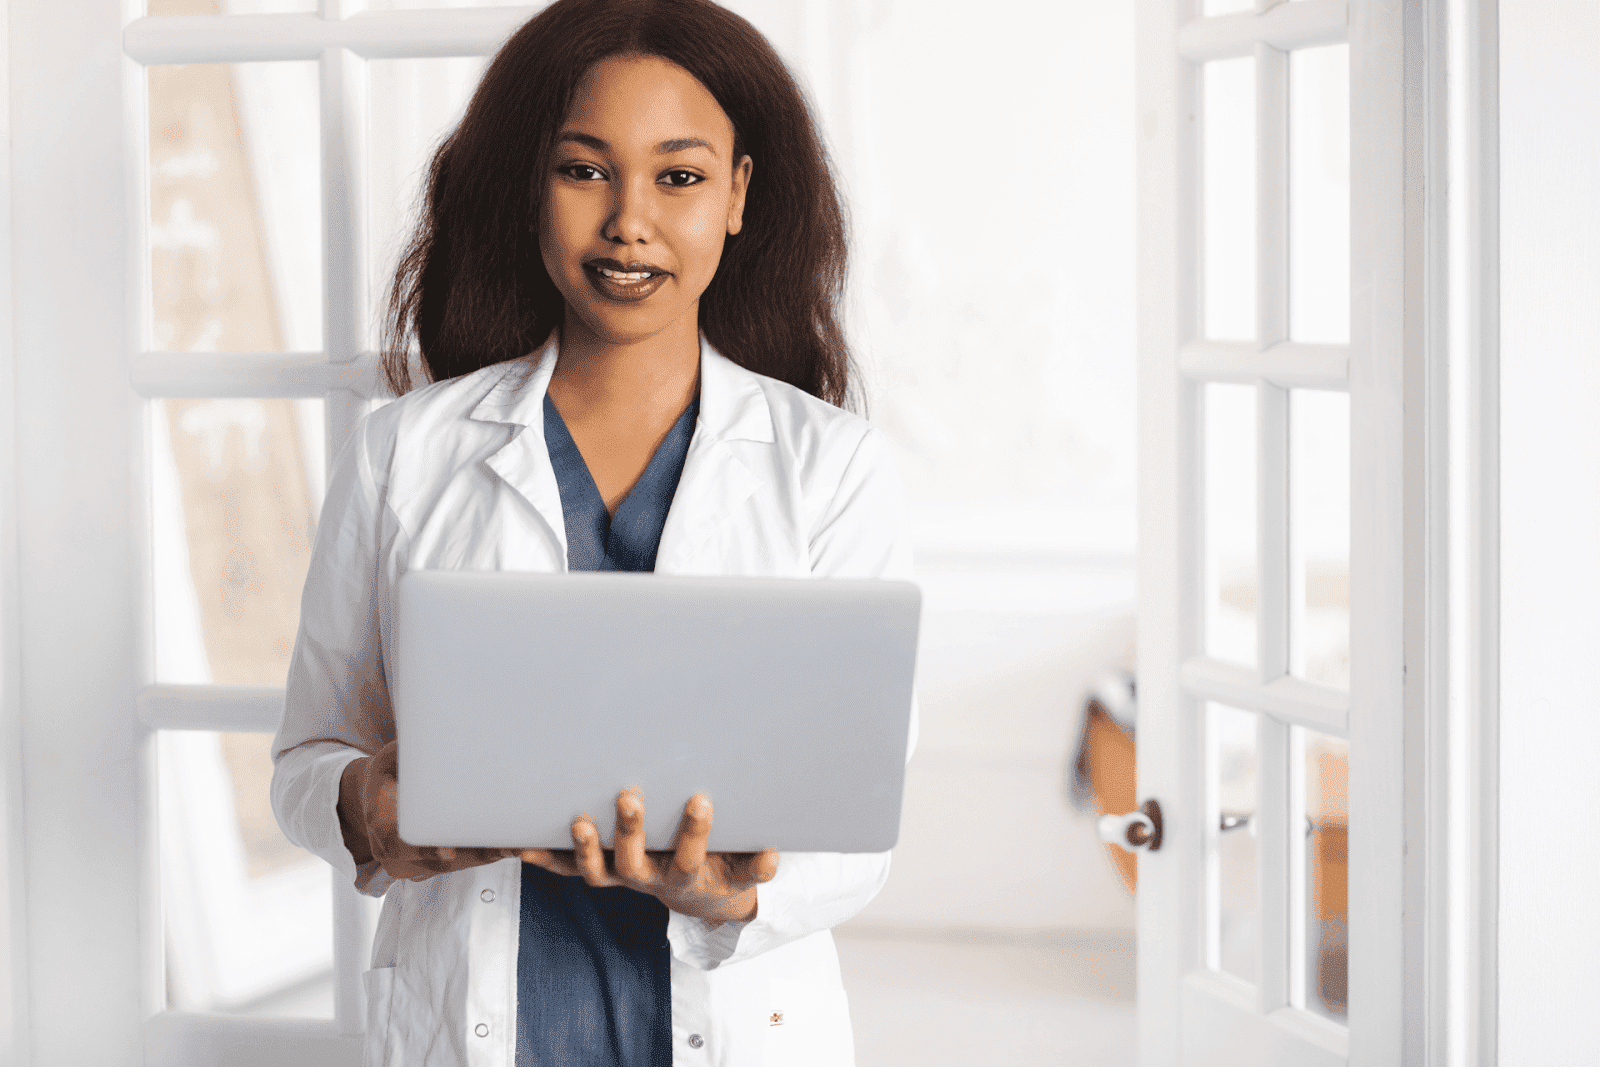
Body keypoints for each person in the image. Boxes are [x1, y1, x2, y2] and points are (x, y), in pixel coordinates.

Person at [270, 1, 913, 1064]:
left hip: (741, 1023)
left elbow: (858, 826)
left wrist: (727, 890)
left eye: (679, 176)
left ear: (740, 194)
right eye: (583, 170)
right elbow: (308, 753)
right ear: (531, 186)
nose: (629, 221)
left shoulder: (833, 468)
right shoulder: (403, 453)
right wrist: (368, 803)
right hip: (475, 1023)